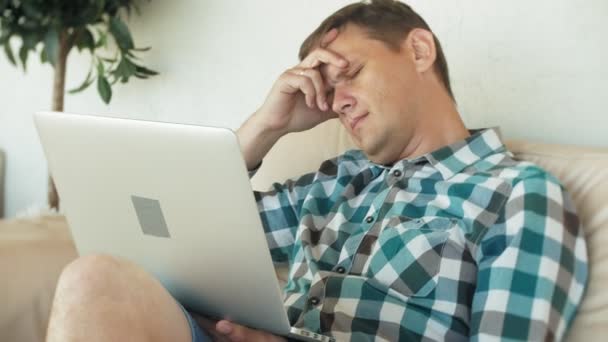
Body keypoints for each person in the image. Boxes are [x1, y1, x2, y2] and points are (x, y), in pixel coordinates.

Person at [46, 1, 588, 341]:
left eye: (347, 73)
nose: (337, 101)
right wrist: (267, 125)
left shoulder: (517, 193)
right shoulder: (336, 181)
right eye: (326, 91)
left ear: (419, 50)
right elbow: (179, 232)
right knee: (95, 279)